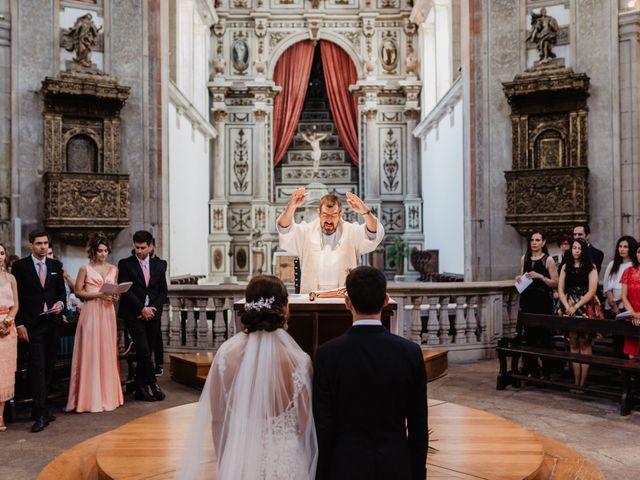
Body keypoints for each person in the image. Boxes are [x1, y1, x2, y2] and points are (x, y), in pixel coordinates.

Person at [176, 275, 317, 480]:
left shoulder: (225, 354)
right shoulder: (299, 360)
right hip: (285, 461)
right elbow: (305, 425)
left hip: (240, 457)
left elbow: (218, 419)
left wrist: (226, 462)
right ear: (285, 309)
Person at [313, 266, 427, 480]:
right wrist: (418, 474)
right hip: (395, 465)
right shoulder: (410, 353)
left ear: (347, 302)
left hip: (344, 466)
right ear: (385, 300)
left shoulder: (327, 354)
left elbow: (324, 426)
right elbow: (418, 425)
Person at [277, 189, 384, 293]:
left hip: (344, 297)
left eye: (333, 215)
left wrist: (365, 211)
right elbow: (285, 230)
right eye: (325, 215)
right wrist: (291, 206)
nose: (329, 220)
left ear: (340, 214)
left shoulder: (351, 232)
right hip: (312, 297)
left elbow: (372, 233)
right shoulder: (306, 232)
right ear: (319, 213)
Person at [12, 230, 66, 432]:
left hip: (52, 323)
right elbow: (17, 298)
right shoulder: (20, 267)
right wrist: (19, 325)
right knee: (37, 368)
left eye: (45, 243)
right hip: (32, 326)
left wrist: (61, 303)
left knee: (50, 366)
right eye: (39, 243)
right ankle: (41, 413)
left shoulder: (55, 266)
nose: (43, 247)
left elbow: (61, 291)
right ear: (30, 245)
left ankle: (41, 408)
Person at [65, 234, 123, 413]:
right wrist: (99, 294)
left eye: (106, 251)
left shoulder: (114, 269)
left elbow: (116, 292)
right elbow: (78, 291)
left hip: (107, 312)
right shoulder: (85, 268)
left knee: (107, 351)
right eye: (100, 251)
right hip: (91, 312)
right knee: (91, 352)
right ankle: (88, 398)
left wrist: (115, 295)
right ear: (93, 251)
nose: (103, 254)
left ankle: (108, 396)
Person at [117, 230, 167, 402]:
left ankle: (139, 386)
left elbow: (162, 291)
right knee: (144, 351)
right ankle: (153, 385)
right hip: (133, 314)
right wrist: (141, 309)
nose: (139, 251)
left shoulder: (160, 265)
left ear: (151, 246)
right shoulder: (125, 264)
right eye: (137, 247)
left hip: (153, 314)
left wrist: (152, 308)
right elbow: (126, 290)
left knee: (147, 351)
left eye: (143, 248)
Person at [557, 238, 601, 388]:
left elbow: (592, 291)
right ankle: (576, 382)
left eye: (579, 248)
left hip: (585, 306)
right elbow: (560, 289)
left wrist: (576, 306)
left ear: (583, 251)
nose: (576, 250)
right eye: (574, 248)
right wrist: (566, 306)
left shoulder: (591, 267)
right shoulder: (565, 267)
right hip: (568, 306)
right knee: (573, 342)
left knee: (585, 342)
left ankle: (583, 382)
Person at [516, 231, 558, 378]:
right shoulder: (525, 258)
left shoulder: (548, 260)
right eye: (532, 240)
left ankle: (546, 372)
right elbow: (522, 276)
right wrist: (519, 278)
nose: (534, 242)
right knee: (529, 336)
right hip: (527, 300)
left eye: (537, 240)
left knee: (544, 336)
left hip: (542, 302)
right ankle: (531, 370)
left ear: (543, 242)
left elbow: (555, 283)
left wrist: (540, 276)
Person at [0, 243, 19, 432]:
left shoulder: (11, 278)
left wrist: (8, 321)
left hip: (7, 326)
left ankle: (1, 416)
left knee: (4, 372)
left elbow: (16, 304)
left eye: (2, 253)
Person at [603, 236, 636, 318]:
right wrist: (613, 305)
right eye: (620, 246)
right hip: (611, 306)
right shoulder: (612, 264)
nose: (622, 249)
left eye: (625, 247)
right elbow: (606, 286)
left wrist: (619, 300)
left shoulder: (634, 266)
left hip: (628, 307)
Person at [620, 243, 640, 358]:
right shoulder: (628, 271)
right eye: (639, 252)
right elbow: (624, 296)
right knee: (631, 355)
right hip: (631, 317)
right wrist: (634, 315)